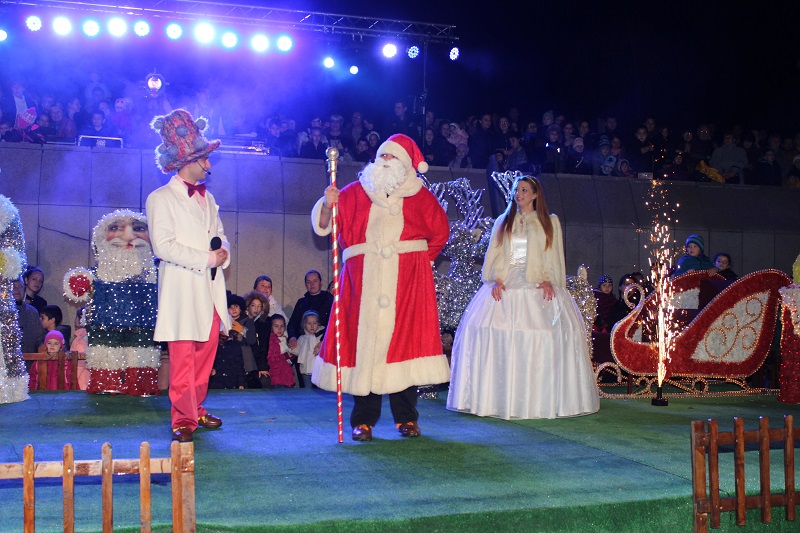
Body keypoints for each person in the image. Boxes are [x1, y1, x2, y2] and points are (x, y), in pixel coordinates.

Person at [310, 133, 450, 441]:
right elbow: (326, 225)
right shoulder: (355, 192)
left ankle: (407, 419)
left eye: (392, 157)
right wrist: (327, 205)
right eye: (382, 156)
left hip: (406, 286)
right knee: (365, 348)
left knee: (405, 349)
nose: (385, 161)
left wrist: (418, 264)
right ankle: (363, 421)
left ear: (405, 164)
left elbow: (440, 232)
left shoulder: (420, 197)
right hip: (363, 283)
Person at [447, 175, 600, 420]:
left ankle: (538, 398)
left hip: (536, 279)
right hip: (507, 278)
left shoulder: (549, 222)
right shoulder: (503, 221)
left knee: (543, 332)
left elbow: (553, 255)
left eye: (525, 190)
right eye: (517, 190)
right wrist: (496, 278)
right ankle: (495, 397)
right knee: (491, 328)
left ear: (535, 194)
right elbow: (494, 253)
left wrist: (549, 279)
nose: (519, 194)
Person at [145, 109, 231, 442]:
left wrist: (223, 251)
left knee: (205, 356)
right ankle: (182, 417)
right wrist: (208, 258)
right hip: (182, 289)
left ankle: (196, 407)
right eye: (204, 159)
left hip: (210, 288)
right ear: (187, 161)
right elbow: (163, 247)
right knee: (182, 358)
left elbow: (219, 233)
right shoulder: (160, 198)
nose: (208, 165)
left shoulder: (209, 198)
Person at [64, 210, 161, 395]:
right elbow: (78, 289)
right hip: (104, 325)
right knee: (105, 356)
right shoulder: (98, 272)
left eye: (138, 229)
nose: (128, 236)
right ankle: (106, 383)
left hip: (144, 325)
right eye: (116, 228)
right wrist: (79, 283)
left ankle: (141, 384)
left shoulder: (154, 274)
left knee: (142, 356)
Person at [287, 270, 333, 346]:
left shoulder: (329, 300)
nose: (312, 284)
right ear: (305, 284)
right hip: (304, 343)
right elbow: (293, 323)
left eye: (315, 281)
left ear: (320, 282)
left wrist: (323, 341)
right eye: (308, 282)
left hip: (324, 342)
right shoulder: (301, 303)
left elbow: (332, 323)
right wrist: (292, 337)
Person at [11, 277, 45, 369]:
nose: (17, 289)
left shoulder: (32, 312)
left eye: (20, 286)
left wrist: (42, 346)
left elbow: (40, 338)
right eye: (13, 286)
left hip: (29, 366)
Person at [289, 310, 325, 388]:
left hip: (319, 370)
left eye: (314, 323)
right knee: (307, 388)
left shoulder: (321, 337)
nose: (312, 326)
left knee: (319, 389)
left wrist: (320, 349)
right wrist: (292, 348)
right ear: (304, 325)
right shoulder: (302, 338)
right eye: (309, 323)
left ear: (318, 324)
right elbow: (298, 351)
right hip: (305, 369)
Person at [266, 315, 295, 388]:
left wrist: (291, 356)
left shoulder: (284, 339)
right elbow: (271, 358)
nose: (279, 329)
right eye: (276, 326)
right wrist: (285, 356)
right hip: (277, 375)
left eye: (282, 326)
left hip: (286, 373)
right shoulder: (271, 340)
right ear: (271, 327)